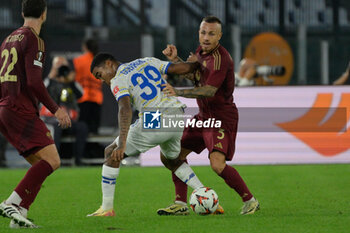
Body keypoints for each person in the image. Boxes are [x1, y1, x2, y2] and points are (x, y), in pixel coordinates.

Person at [158, 16, 260, 215]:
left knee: (217, 164)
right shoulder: (200, 52)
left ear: (219, 36)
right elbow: (195, 76)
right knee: (174, 155)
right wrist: (175, 61)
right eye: (203, 32)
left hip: (221, 118)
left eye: (211, 34)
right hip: (203, 116)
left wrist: (177, 91)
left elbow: (208, 90)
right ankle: (180, 203)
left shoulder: (221, 59)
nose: (206, 37)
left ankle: (250, 201)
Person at [87, 53, 206, 217]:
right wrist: (197, 63)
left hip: (156, 118)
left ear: (109, 63)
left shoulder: (118, 79)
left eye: (100, 75)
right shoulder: (145, 61)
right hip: (177, 115)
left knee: (111, 152)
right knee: (171, 160)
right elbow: (182, 68)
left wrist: (122, 144)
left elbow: (125, 109)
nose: (103, 80)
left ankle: (106, 209)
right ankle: (204, 193)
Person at [0, 0, 71, 228]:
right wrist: (56, 109)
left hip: (5, 109)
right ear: (44, 14)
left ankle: (19, 215)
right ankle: (11, 202)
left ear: (22, 12)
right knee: (52, 160)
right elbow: (34, 82)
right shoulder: (34, 39)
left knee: (39, 164)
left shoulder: (8, 40)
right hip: (20, 110)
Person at [41, 59, 88, 166]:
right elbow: (40, 90)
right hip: (50, 120)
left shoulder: (71, 83)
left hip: (68, 121)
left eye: (64, 66)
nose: (62, 69)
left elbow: (81, 94)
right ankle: (54, 162)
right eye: (59, 66)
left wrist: (70, 80)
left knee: (82, 127)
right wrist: (51, 75)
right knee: (55, 127)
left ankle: (78, 161)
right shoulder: (49, 81)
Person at [73, 39, 102, 134]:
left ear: (85, 47)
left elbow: (73, 79)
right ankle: (93, 149)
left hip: (83, 98)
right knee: (94, 129)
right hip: (97, 98)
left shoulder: (78, 61)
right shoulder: (99, 63)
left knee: (82, 128)